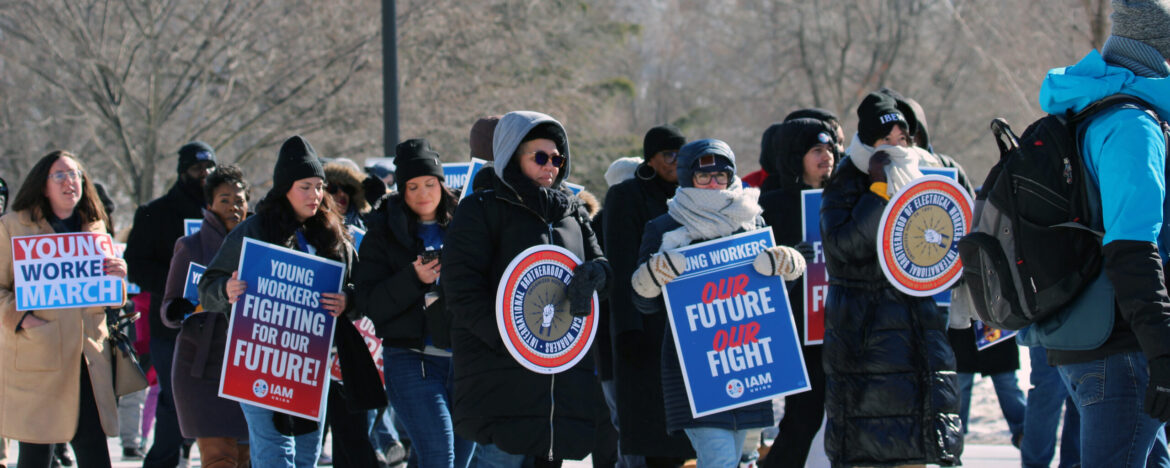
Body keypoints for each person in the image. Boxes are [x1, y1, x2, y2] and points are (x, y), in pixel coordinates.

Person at [1017, 2, 1170, 466]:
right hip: (1123, 349)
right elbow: (1132, 247)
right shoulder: (1133, 126)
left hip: (1085, 337)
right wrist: (1163, 352)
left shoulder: (1088, 110)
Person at [198, 136, 385, 467]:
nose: (314, 195)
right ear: (285, 188)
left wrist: (347, 300)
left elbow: (364, 289)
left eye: (318, 186)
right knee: (275, 453)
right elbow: (208, 286)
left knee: (305, 455)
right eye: (305, 187)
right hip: (258, 357)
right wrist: (226, 290)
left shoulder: (333, 233)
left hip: (311, 364)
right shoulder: (254, 230)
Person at [443, 110, 611, 465]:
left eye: (557, 158)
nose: (550, 165)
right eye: (540, 157)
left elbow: (600, 265)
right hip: (501, 383)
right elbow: (460, 288)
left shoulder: (573, 214)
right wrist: (508, 338)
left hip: (560, 392)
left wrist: (595, 277)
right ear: (510, 156)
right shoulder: (480, 208)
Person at [629, 139, 805, 468]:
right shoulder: (666, 228)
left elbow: (772, 297)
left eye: (721, 176)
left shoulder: (751, 221)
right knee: (719, 460)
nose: (714, 184)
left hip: (747, 362)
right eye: (703, 177)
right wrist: (651, 278)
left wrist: (787, 268)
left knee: (737, 458)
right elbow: (643, 303)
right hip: (695, 369)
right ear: (686, 178)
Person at [820, 91, 962, 467]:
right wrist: (879, 191)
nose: (898, 149)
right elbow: (843, 246)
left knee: (916, 447)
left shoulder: (925, 177)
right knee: (872, 447)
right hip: (865, 337)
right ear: (868, 144)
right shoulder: (847, 181)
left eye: (903, 140)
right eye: (887, 141)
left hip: (918, 330)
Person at [0, 150, 127, 468]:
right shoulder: (13, 227)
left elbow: (109, 300)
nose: (70, 181)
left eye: (75, 175)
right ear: (43, 186)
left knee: (95, 454)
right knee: (35, 457)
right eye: (60, 175)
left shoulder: (96, 229)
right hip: (39, 358)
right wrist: (23, 318)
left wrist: (119, 278)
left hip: (88, 360)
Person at [354, 138, 475, 468]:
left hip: (465, 363)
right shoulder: (382, 232)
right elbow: (369, 302)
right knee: (440, 456)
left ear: (441, 184)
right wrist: (412, 279)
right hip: (411, 361)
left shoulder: (467, 225)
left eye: (430, 184)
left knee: (454, 461)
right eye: (413, 186)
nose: (424, 193)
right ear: (402, 191)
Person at [602, 125, 694, 467]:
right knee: (652, 433)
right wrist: (629, 329)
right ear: (650, 160)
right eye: (669, 155)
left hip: (683, 326)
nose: (676, 163)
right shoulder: (626, 196)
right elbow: (621, 263)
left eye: (682, 156)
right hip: (642, 328)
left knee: (682, 436)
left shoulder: (689, 195)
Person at [126, 140, 217, 468]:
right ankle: (163, 460)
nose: (204, 175)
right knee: (172, 398)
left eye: (210, 169)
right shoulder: (155, 213)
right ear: (182, 172)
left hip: (216, 323)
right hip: (171, 326)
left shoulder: (225, 213)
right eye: (196, 169)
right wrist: (177, 279)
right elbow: (135, 263)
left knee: (211, 398)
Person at [754, 117, 837, 468]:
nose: (826, 156)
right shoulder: (772, 206)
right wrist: (785, 258)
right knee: (804, 416)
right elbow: (755, 272)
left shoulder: (846, 197)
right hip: (798, 330)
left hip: (842, 324)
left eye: (830, 148)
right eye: (816, 150)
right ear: (795, 157)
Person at [160, 165, 251, 467]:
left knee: (248, 458)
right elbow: (169, 310)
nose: (233, 207)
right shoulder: (190, 247)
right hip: (202, 369)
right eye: (224, 200)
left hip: (251, 365)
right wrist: (195, 303)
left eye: (239, 200)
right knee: (219, 458)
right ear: (209, 204)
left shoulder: (265, 247)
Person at [946, 329, 1025, 445]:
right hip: (962, 330)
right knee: (960, 386)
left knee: (1008, 386)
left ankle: (1024, 435)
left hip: (997, 330)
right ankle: (953, 438)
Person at [1020, 345, 1080, 468]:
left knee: (1082, 395)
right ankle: (1034, 464)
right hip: (1048, 332)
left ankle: (1075, 463)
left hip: (1091, 333)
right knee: (1049, 390)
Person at [324, 161, 372, 230]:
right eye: (333, 188)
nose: (341, 194)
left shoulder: (368, 224)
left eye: (347, 188)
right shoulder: (314, 225)